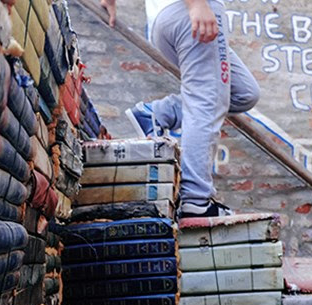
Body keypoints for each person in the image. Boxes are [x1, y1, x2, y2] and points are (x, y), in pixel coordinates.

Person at [101, 0, 260, 218]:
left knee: (243, 93)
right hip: (190, 11)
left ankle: (156, 113)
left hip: (167, 19)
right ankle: (195, 200)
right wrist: (196, 4)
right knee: (206, 101)